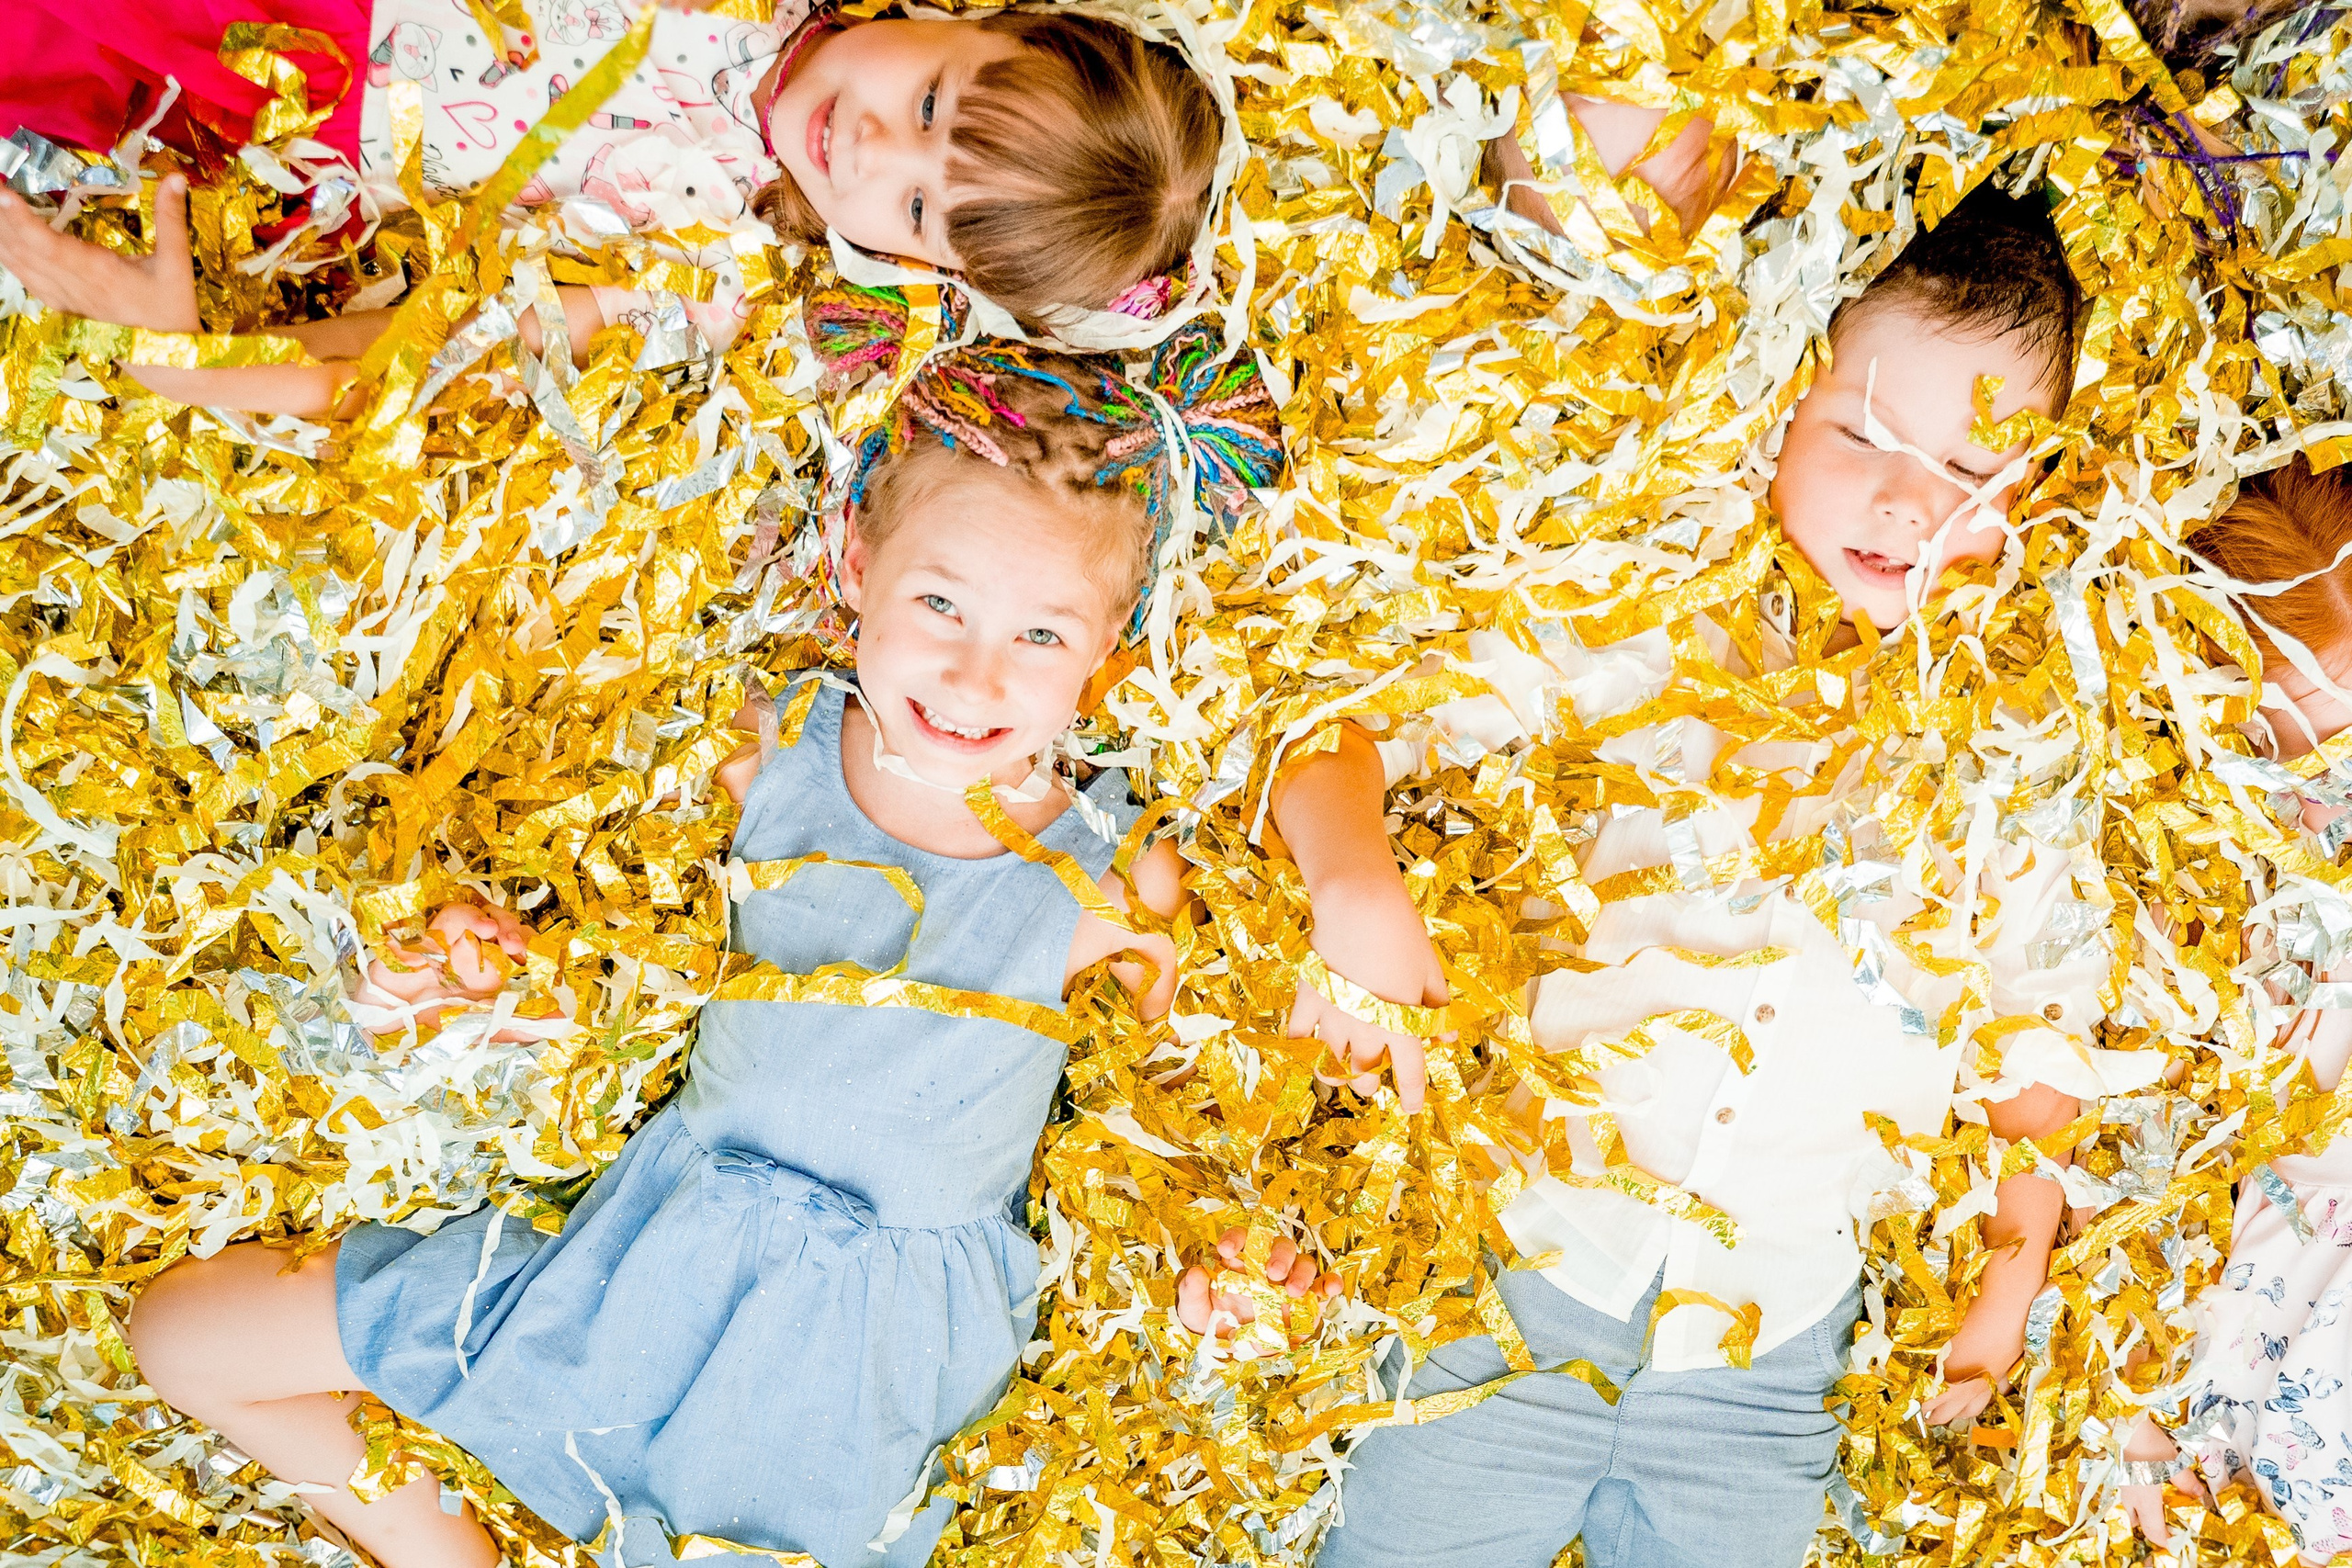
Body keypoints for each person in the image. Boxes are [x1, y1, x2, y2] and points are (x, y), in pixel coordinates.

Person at [116, 318, 1361, 1568]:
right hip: (648, 1256)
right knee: (181, 1335)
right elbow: (632, 958)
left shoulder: (1112, 863)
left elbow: (1173, 1124)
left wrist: (1217, 1264)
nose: (976, 675)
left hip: (861, 1360)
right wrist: (492, 969)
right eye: (940, 600)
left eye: (1042, 633)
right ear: (858, 560)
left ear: (1110, 647)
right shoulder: (771, 747)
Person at [1275, 185, 2123, 1568]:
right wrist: (1356, 877)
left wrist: (2003, 1289)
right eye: (1862, 434)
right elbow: (1344, 736)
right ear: (1781, 392)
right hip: (1514, 1282)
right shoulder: (1638, 622)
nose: (1908, 501)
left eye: (1972, 476)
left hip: (1774, 1345)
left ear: (2024, 497)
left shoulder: (2017, 749)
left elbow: (2041, 1031)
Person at [0, 0, 1216, 412]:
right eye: (940, 105)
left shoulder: (707, 278)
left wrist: (189, 363)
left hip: (235, 90)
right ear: (986, 20)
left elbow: (425, 353)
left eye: (913, 203)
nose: (871, 148)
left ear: (929, 272)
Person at [2120, 457, 2352, 1562]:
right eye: (2295, 725)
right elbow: (2136, 1139)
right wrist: (2126, 1390)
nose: (2329, 760)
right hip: (2255, 1276)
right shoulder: (2186, 856)